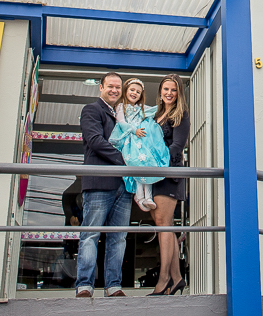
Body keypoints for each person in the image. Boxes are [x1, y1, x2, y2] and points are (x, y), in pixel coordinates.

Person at [76, 72, 130, 298]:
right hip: (99, 182)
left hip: (124, 186)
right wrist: (126, 160)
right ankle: (84, 286)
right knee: (90, 235)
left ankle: (113, 286)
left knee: (118, 238)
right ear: (101, 87)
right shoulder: (91, 110)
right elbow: (96, 141)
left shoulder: (123, 115)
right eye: (110, 86)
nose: (115, 90)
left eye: (118, 87)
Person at [149, 75, 191, 296]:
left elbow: (177, 146)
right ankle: (176, 279)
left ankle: (164, 279)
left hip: (169, 173)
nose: (169, 93)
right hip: (156, 174)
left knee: (164, 225)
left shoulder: (181, 115)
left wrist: (157, 160)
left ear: (178, 93)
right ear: (160, 91)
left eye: (173, 90)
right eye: (166, 89)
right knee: (164, 224)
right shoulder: (156, 114)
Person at [109, 78, 170, 211]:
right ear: (125, 91)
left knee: (147, 165)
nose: (134, 93)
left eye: (138, 92)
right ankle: (139, 196)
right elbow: (121, 122)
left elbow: (154, 110)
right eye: (132, 90)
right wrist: (134, 130)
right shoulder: (121, 107)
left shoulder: (140, 108)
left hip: (141, 142)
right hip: (129, 141)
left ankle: (148, 197)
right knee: (136, 165)